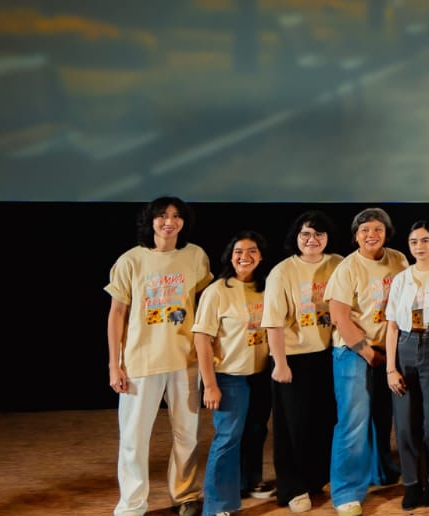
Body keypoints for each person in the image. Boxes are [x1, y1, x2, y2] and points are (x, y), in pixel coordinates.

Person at [105, 196, 212, 516]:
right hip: (140, 362)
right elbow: (116, 314)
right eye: (162, 216)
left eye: (177, 216)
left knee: (187, 435)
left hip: (185, 360)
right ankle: (132, 503)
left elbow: (206, 305)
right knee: (134, 438)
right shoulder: (130, 261)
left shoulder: (195, 256)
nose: (170, 222)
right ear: (150, 221)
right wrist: (114, 364)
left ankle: (185, 495)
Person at [326, 208, 409, 516]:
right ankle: (346, 492)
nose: (371, 235)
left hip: (389, 347)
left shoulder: (399, 260)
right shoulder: (347, 268)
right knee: (354, 420)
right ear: (356, 236)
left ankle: (381, 470)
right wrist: (369, 353)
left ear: (387, 233)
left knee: (382, 416)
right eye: (364, 230)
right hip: (354, 350)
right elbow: (339, 318)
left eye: (377, 229)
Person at [263, 210, 342, 513]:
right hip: (293, 357)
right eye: (305, 234)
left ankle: (317, 479)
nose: (312, 239)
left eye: (319, 234)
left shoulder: (338, 264)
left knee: (323, 421)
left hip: (329, 354)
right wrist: (280, 363)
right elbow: (273, 322)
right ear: (296, 237)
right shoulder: (283, 271)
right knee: (292, 426)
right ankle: (292, 488)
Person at [193, 231, 272, 516]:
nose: (245, 257)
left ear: (261, 257)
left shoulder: (267, 288)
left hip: (261, 373)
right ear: (230, 256)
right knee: (228, 437)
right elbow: (202, 339)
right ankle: (218, 503)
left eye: (252, 251)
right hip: (229, 375)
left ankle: (249, 481)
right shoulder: (218, 291)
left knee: (256, 430)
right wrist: (210, 384)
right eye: (239, 251)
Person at [385, 221, 429, 509]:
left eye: (425, 240)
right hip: (405, 344)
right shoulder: (401, 278)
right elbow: (391, 325)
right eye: (414, 242)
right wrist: (391, 368)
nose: (419, 246)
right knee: (404, 422)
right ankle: (412, 483)